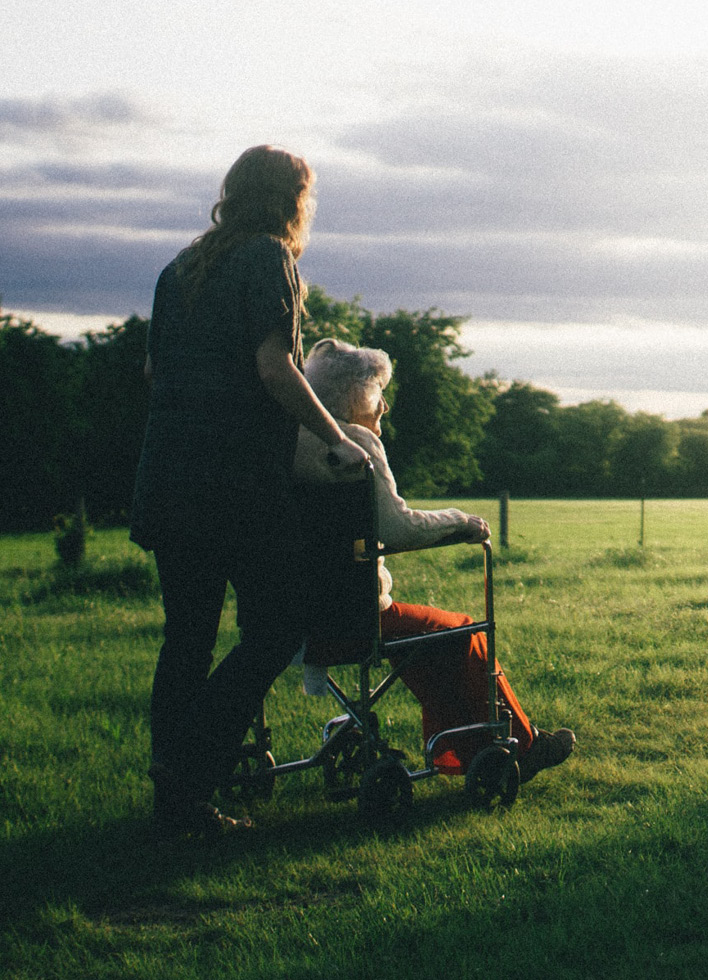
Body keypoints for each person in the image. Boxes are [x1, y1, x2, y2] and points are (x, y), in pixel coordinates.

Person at [129, 147, 369, 838]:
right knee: (276, 627)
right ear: (291, 199)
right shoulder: (269, 259)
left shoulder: (179, 269)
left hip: (168, 476)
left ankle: (175, 799)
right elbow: (275, 367)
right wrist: (336, 438)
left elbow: (155, 369)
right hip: (232, 484)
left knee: (188, 638)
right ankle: (191, 770)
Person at [294, 338, 575, 782]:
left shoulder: (292, 442)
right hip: (354, 618)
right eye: (377, 393)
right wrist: (459, 521)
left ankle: (461, 752)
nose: (384, 405)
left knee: (429, 639)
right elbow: (398, 528)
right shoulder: (355, 444)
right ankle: (520, 744)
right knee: (461, 630)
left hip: (294, 619)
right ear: (353, 396)